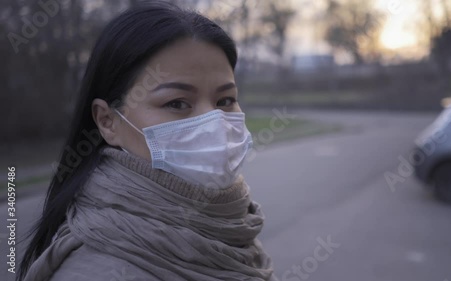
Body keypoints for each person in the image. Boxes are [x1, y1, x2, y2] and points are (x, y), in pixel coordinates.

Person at [18, 2, 276, 281]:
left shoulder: (233, 227)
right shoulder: (98, 270)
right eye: (177, 102)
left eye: (225, 100)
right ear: (107, 121)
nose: (213, 123)